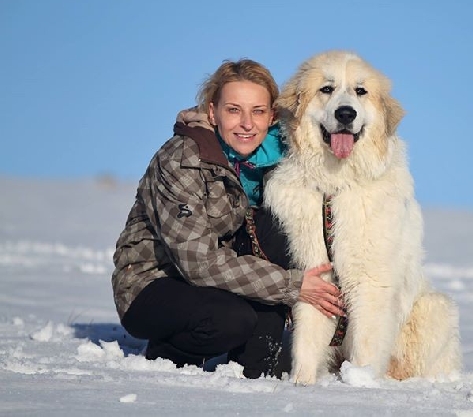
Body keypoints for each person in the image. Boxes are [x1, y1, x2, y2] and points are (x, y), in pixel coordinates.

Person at [111, 59, 345, 379]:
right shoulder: (183, 159)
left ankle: (254, 370)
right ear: (212, 113)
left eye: (258, 111)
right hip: (155, 285)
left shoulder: (279, 156)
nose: (247, 123)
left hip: (223, 280)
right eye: (234, 110)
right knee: (230, 320)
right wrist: (294, 286)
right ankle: (168, 355)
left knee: (282, 233)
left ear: (272, 116)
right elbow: (199, 263)